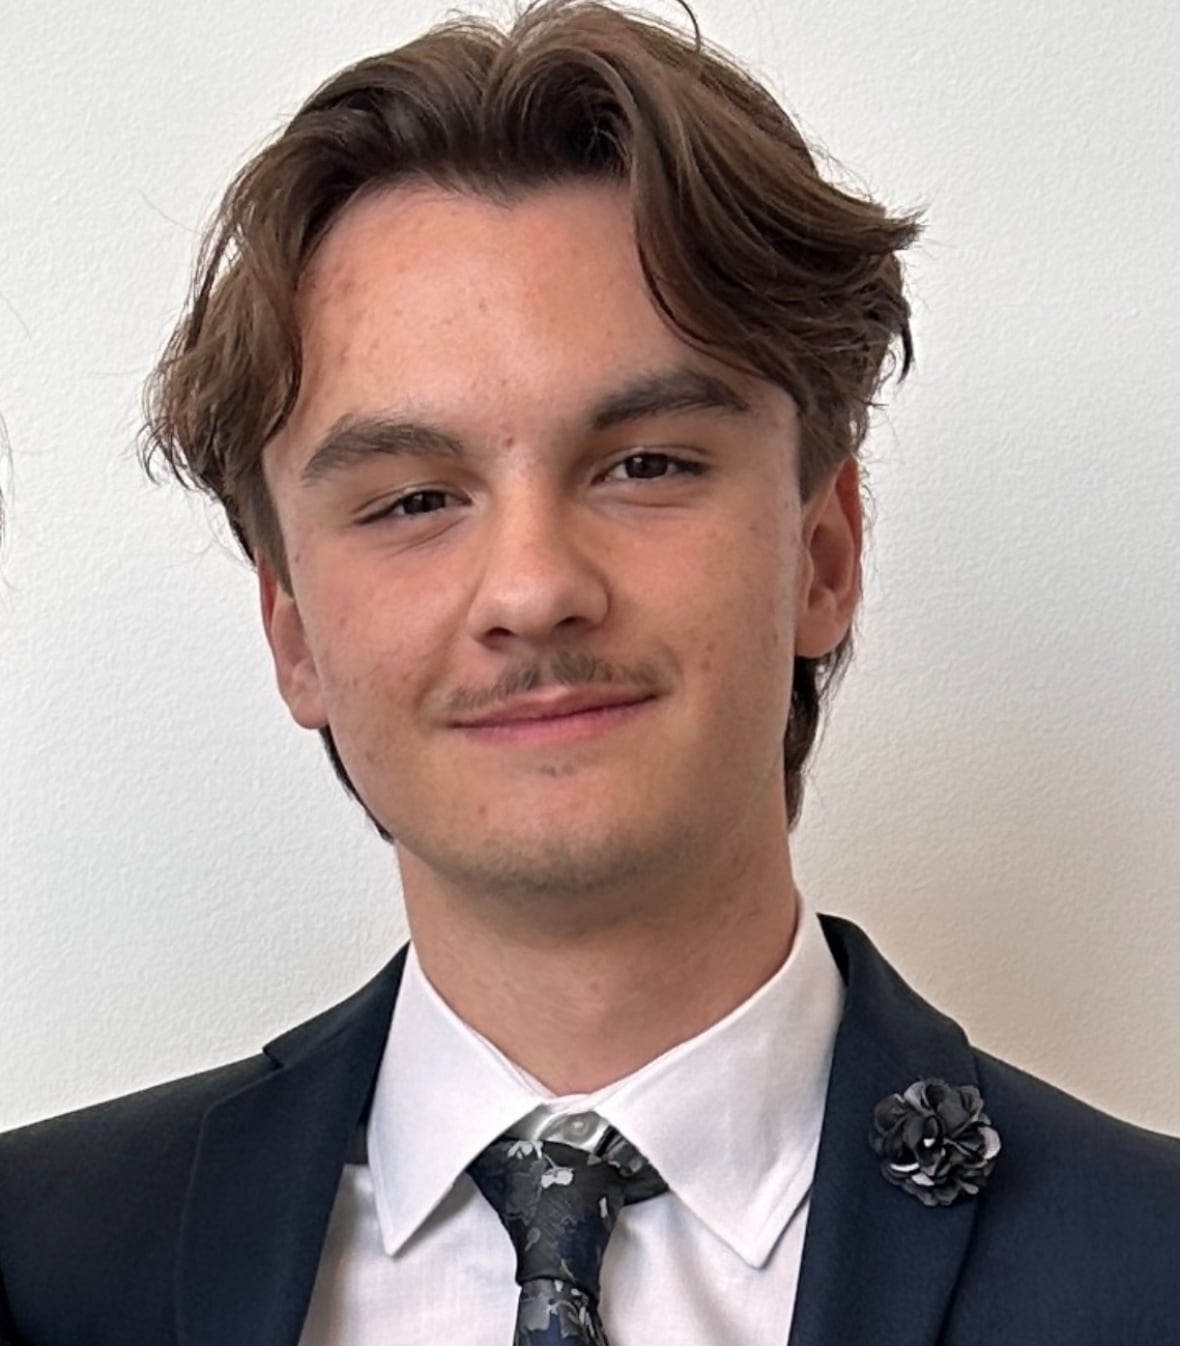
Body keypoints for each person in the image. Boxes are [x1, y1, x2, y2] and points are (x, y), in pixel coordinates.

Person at [1, 2, 1177, 1342]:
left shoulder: (1154, 1264)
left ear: (823, 553)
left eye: (648, 464)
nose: (533, 587)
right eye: (412, 499)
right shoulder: (42, 1264)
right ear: (293, 632)